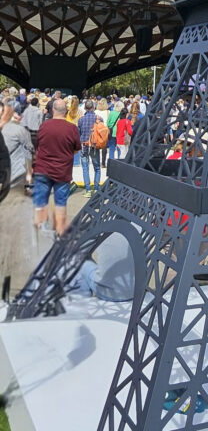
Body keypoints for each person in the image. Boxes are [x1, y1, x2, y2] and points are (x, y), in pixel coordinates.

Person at [33, 98, 81, 235]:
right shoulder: (72, 129)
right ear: (66, 111)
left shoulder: (44, 126)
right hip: (62, 171)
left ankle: (40, 230)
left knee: (40, 202)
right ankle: (59, 231)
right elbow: (76, 149)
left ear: (52, 110)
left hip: (43, 169)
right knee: (60, 203)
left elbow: (38, 146)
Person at [69, 232, 135, 301]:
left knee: (82, 262)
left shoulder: (102, 225)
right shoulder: (140, 227)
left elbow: (82, 248)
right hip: (137, 291)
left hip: (108, 293)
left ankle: (82, 298)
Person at [78, 100, 101, 196]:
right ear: (93, 107)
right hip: (95, 145)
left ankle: (88, 190)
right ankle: (96, 188)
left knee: (85, 168)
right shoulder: (98, 119)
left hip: (84, 145)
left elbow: (78, 133)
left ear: (85, 108)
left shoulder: (81, 119)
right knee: (97, 168)